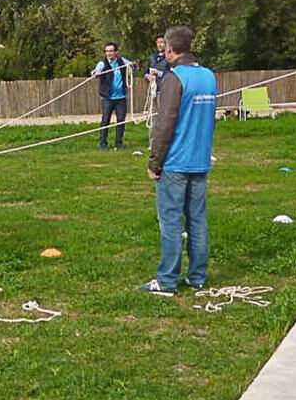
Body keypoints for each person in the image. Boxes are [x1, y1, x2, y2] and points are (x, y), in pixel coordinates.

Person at [140, 25, 217, 296]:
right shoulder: (209, 76)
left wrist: (154, 162)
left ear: (170, 49)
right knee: (197, 221)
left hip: (175, 163)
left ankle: (167, 281)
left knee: (171, 222)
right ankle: (197, 277)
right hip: (200, 160)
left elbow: (164, 124)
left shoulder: (174, 78)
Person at [91, 42, 132, 150]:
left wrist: (133, 65)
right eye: (107, 51)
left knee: (121, 120)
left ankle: (119, 143)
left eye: (111, 51)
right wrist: (96, 73)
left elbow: (133, 66)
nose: (108, 53)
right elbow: (95, 72)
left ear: (116, 52)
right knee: (105, 120)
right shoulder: (102, 64)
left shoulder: (122, 61)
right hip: (107, 98)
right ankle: (103, 143)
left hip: (121, 97)